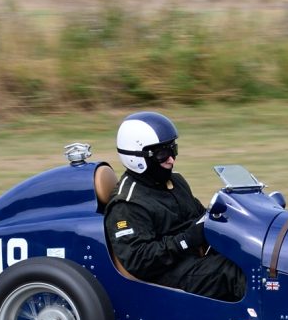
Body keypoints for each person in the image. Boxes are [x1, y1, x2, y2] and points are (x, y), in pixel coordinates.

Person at [104, 111, 246, 301]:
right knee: (236, 272)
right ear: (137, 157)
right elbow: (139, 260)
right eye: (163, 154)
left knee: (251, 257)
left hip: (194, 260)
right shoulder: (127, 204)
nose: (172, 159)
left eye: (173, 150)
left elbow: (201, 217)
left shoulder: (175, 181)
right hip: (166, 275)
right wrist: (186, 240)